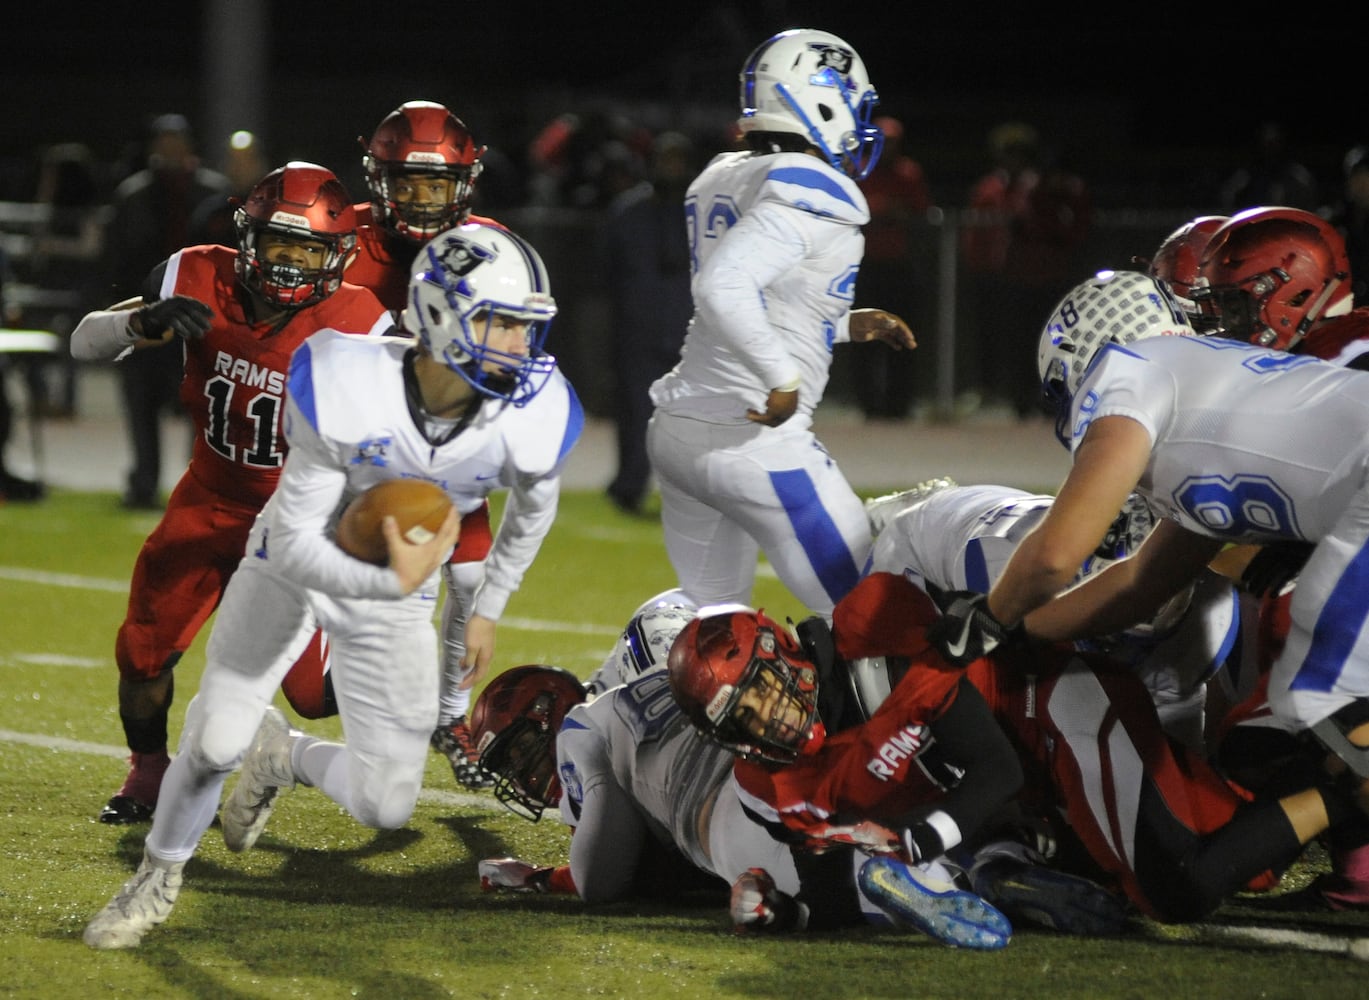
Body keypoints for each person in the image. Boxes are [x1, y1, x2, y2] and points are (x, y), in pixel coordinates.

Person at [82, 221, 581, 950]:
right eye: (500, 323)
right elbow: (291, 538)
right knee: (216, 742)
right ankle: (156, 877)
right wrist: (396, 574)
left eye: (525, 327)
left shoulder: (535, 410)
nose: (519, 346)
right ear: (441, 315)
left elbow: (534, 510)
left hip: (397, 591)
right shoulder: (348, 379)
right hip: (293, 557)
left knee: (387, 803)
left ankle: (285, 754)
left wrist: (486, 607)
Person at [932, 269, 1369, 837]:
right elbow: (1140, 582)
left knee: (1322, 711)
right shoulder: (1206, 406)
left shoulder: (1127, 372)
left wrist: (987, 618)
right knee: (1274, 746)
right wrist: (1022, 634)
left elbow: (1056, 554)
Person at [70, 162, 391, 825]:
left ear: (337, 255)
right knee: (143, 652)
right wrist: (138, 326)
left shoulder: (362, 320)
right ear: (248, 237)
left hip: (296, 522)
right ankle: (148, 772)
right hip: (207, 501)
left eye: (309, 248)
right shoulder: (197, 274)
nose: (292, 261)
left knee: (314, 695)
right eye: (280, 243)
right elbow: (83, 342)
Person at [474, 621, 1014, 944]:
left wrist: (550, 878)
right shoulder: (675, 680)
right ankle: (991, 865)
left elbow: (603, 879)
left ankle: (940, 882)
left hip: (727, 813)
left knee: (830, 894)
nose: (527, 774)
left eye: (522, 753)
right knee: (894, 820)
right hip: (812, 759)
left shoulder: (584, 725)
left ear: (549, 711)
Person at [646, 28, 915, 619]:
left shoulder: (725, 172)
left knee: (716, 640)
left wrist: (841, 325)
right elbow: (722, 287)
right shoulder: (811, 185)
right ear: (816, 98)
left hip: (679, 429)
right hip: (753, 440)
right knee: (876, 622)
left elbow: (750, 301)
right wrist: (782, 377)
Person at [340, 100, 505, 789]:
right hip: (360, 447)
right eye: (406, 181)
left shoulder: (493, 244)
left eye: (435, 184)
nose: (420, 197)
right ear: (380, 178)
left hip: (447, 439)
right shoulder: (341, 236)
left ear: (463, 182)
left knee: (468, 578)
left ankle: (451, 715)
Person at [866, 479, 1237, 752]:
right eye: (1112, 623)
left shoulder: (1210, 608)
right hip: (920, 548)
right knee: (902, 715)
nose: (1117, 639)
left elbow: (1173, 733)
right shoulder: (1003, 570)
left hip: (1008, 519)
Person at [101, 113, 232, 509]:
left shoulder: (215, 191)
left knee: (204, 407)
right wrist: (123, 313)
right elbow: (115, 260)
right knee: (141, 405)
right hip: (148, 311)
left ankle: (201, 485)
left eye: (177, 140)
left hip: (197, 320)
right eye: (164, 141)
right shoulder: (133, 194)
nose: (171, 149)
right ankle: (144, 484)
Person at [960, 122, 1092, 418]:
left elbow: (1067, 228)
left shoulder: (1045, 187)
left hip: (1050, 276)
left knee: (1053, 342)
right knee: (1014, 342)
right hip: (1010, 276)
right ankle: (1018, 400)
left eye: (1020, 153)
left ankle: (1050, 401)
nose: (1014, 159)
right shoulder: (991, 187)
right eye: (1009, 153)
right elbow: (975, 233)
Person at [600, 130, 697, 514]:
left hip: (690, 330)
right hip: (638, 329)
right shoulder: (628, 211)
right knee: (635, 414)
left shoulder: (701, 211)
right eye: (665, 159)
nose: (670, 168)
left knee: (692, 420)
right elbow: (605, 271)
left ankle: (692, 494)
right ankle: (629, 486)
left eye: (677, 160)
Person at [848, 114, 933, 420]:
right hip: (866, 267)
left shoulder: (909, 173)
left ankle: (899, 405)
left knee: (900, 336)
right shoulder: (860, 172)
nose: (888, 148)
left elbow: (920, 214)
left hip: (899, 267)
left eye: (893, 142)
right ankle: (868, 404)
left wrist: (896, 214)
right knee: (864, 337)